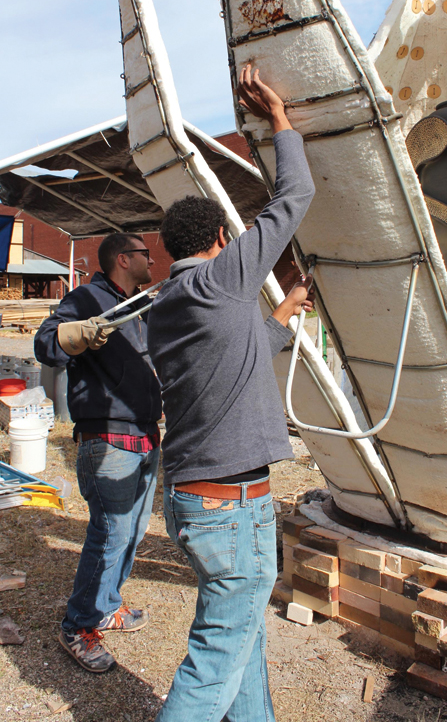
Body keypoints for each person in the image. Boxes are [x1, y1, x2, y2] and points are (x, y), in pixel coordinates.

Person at [148, 64, 316, 722]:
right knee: (218, 653)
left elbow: (233, 359)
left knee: (242, 644)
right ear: (222, 240)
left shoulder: (172, 302)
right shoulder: (220, 280)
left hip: (197, 498)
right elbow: (292, 199)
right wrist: (280, 120)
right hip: (230, 506)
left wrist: (283, 314)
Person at [34, 233, 162, 673]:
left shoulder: (137, 305)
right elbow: (45, 343)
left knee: (132, 533)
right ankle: (77, 625)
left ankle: (106, 605)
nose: (153, 259)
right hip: (107, 440)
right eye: (146, 253)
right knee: (110, 535)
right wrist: (78, 335)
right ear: (124, 259)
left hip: (144, 437)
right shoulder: (89, 297)